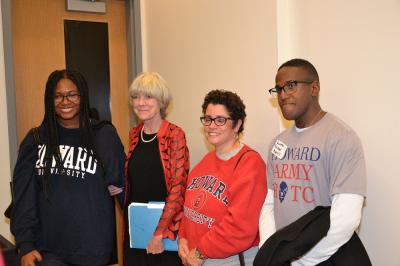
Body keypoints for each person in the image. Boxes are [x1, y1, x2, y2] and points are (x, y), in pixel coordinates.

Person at [10, 69, 125, 266]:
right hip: (47, 252)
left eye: (72, 94)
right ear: (49, 99)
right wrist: (25, 245)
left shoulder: (103, 135)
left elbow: (123, 189)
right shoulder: (36, 139)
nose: (65, 101)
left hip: (93, 251)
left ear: (83, 97)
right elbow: (24, 198)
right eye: (58, 96)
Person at [265, 58, 366, 265]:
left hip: (324, 255)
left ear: (314, 88)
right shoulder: (278, 143)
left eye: (291, 86)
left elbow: (347, 218)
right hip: (285, 257)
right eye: (279, 89)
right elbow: (269, 202)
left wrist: (303, 261)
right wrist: (270, 249)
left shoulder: (341, 137)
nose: (283, 95)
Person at [178, 89, 267, 266]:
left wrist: (201, 251)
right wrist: (183, 238)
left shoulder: (250, 164)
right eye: (208, 119)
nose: (211, 125)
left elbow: (240, 227)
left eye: (220, 120)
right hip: (196, 256)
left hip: (229, 260)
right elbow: (189, 211)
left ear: (236, 124)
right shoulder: (205, 161)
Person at [123, 72, 190, 266]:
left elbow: (178, 189)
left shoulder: (175, 135)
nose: (140, 102)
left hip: (165, 234)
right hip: (136, 231)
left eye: (148, 96)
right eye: (136, 97)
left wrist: (159, 233)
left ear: (161, 101)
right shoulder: (134, 134)